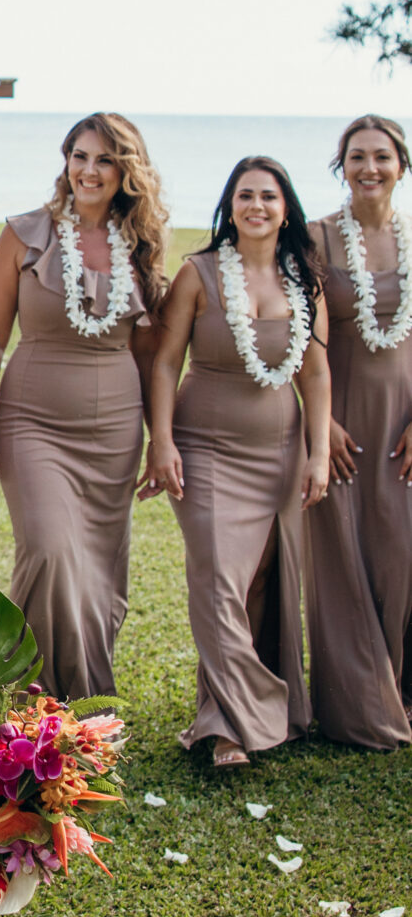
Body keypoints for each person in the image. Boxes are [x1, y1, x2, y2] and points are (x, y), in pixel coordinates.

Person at [0, 113, 167, 700]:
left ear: (125, 171)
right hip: (33, 423)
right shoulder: (27, 234)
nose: (89, 170)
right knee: (50, 551)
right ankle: (27, 696)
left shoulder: (142, 247)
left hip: (114, 433)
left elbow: (153, 355)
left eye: (104, 159)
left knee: (97, 571)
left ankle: (82, 702)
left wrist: (162, 440)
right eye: (80, 156)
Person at [141, 158, 328, 769]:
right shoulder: (198, 274)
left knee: (254, 587)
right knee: (219, 580)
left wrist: (319, 452)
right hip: (204, 449)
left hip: (278, 451)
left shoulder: (304, 278)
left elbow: (317, 373)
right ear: (230, 206)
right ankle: (261, 705)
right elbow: (166, 361)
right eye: (245, 195)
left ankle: (223, 724)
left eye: (268, 196)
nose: (256, 206)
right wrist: (161, 440)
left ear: (285, 208)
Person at [305, 113, 412, 748]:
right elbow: (299, 339)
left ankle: (399, 689)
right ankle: (355, 710)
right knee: (344, 559)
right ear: (342, 167)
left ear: (401, 165)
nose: (369, 167)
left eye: (381, 156)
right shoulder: (316, 239)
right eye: (356, 157)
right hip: (339, 421)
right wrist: (324, 426)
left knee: (400, 557)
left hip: (402, 418)